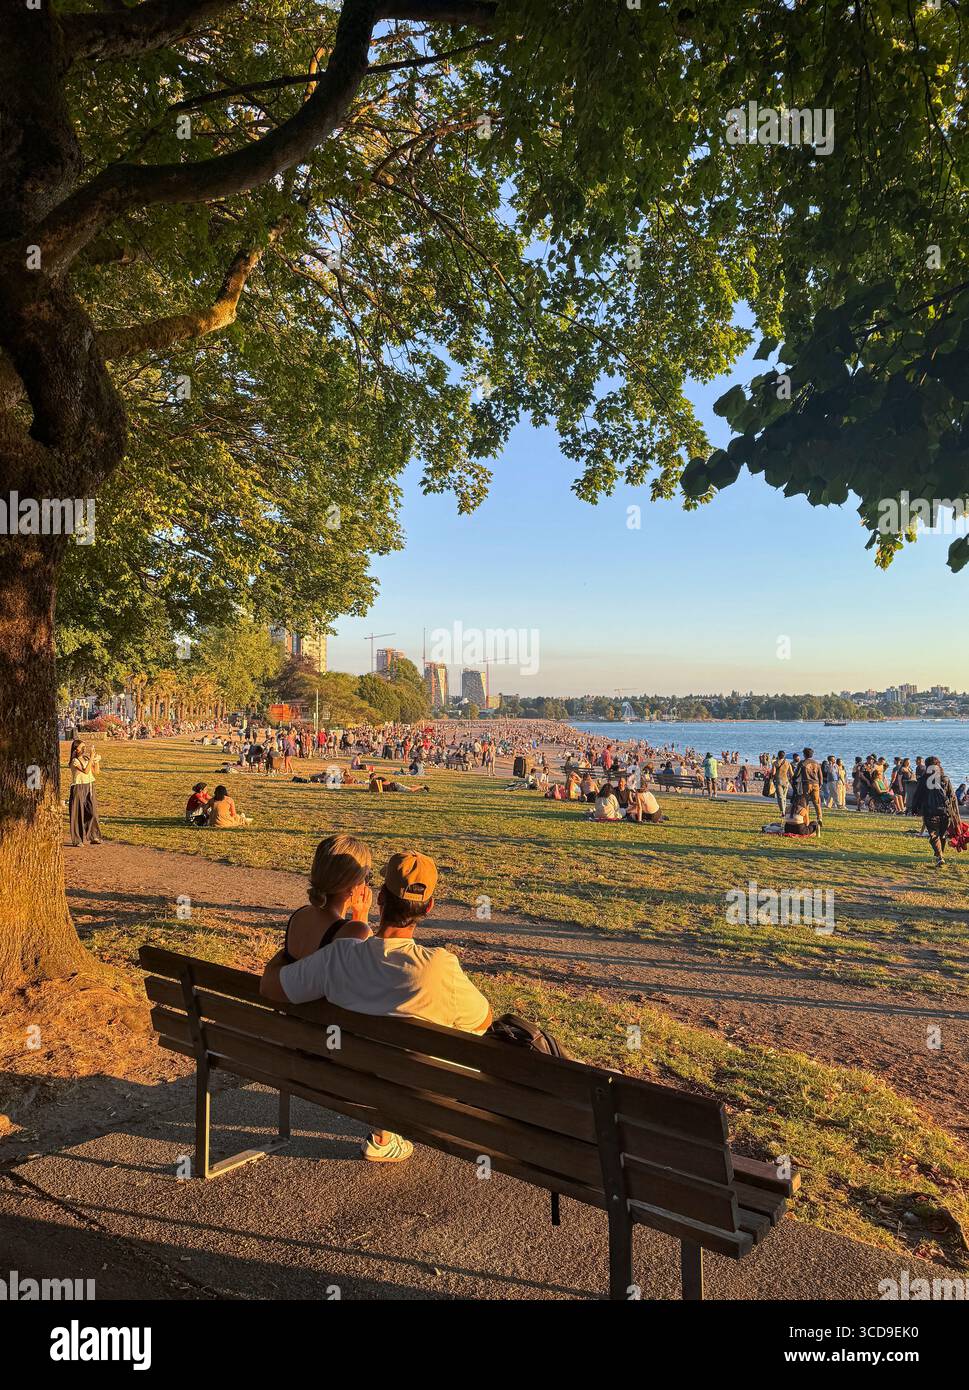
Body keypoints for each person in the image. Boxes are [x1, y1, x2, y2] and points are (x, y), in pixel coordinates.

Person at [261, 851, 492, 1163]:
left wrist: (285, 954)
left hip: (343, 1081)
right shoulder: (439, 967)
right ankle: (387, 1131)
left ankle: (386, 1132)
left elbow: (271, 986)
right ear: (429, 907)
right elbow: (483, 1020)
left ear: (380, 898)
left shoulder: (338, 957)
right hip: (422, 1094)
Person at [282, 835, 374, 962]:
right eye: (367, 877)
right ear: (352, 886)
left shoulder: (300, 915)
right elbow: (366, 967)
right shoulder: (354, 931)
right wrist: (361, 914)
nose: (367, 884)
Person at [911, 757, 961, 867]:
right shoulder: (945, 779)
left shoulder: (924, 780)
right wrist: (955, 815)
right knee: (942, 835)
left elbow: (918, 796)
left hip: (930, 812)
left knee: (934, 835)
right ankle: (940, 855)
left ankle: (940, 856)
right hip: (944, 812)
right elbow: (952, 797)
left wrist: (914, 808)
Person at [68, 740, 103, 845]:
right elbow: (85, 771)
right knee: (77, 814)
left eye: (84, 747)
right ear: (76, 749)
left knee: (92, 812)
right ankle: (77, 840)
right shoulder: (74, 761)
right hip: (78, 787)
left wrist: (96, 761)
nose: (84, 749)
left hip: (90, 786)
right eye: (81, 747)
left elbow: (95, 772)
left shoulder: (87, 758)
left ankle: (94, 836)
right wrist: (92, 758)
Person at [794, 747, 823, 826]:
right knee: (816, 802)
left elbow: (796, 774)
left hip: (806, 784)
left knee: (805, 803)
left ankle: (806, 821)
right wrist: (820, 785)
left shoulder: (802, 763)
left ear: (804, 754)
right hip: (816, 784)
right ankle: (819, 817)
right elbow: (820, 776)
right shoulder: (816, 763)